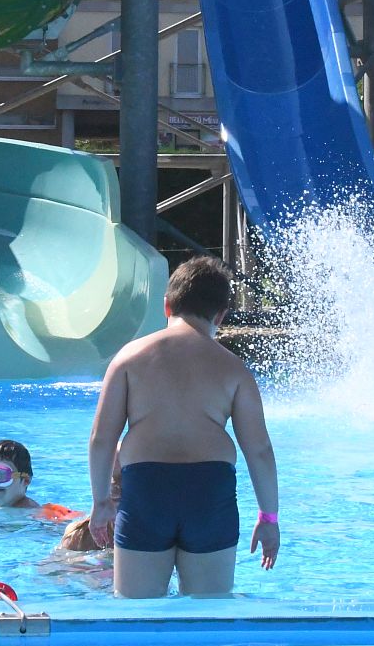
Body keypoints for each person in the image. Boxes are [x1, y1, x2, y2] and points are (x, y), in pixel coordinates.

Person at [87, 255, 280, 598]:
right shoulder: (234, 369)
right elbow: (260, 451)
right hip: (210, 491)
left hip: (146, 490)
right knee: (210, 613)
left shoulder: (129, 359)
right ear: (220, 315)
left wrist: (101, 501)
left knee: (137, 614)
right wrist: (269, 518)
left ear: (166, 306)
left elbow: (102, 439)